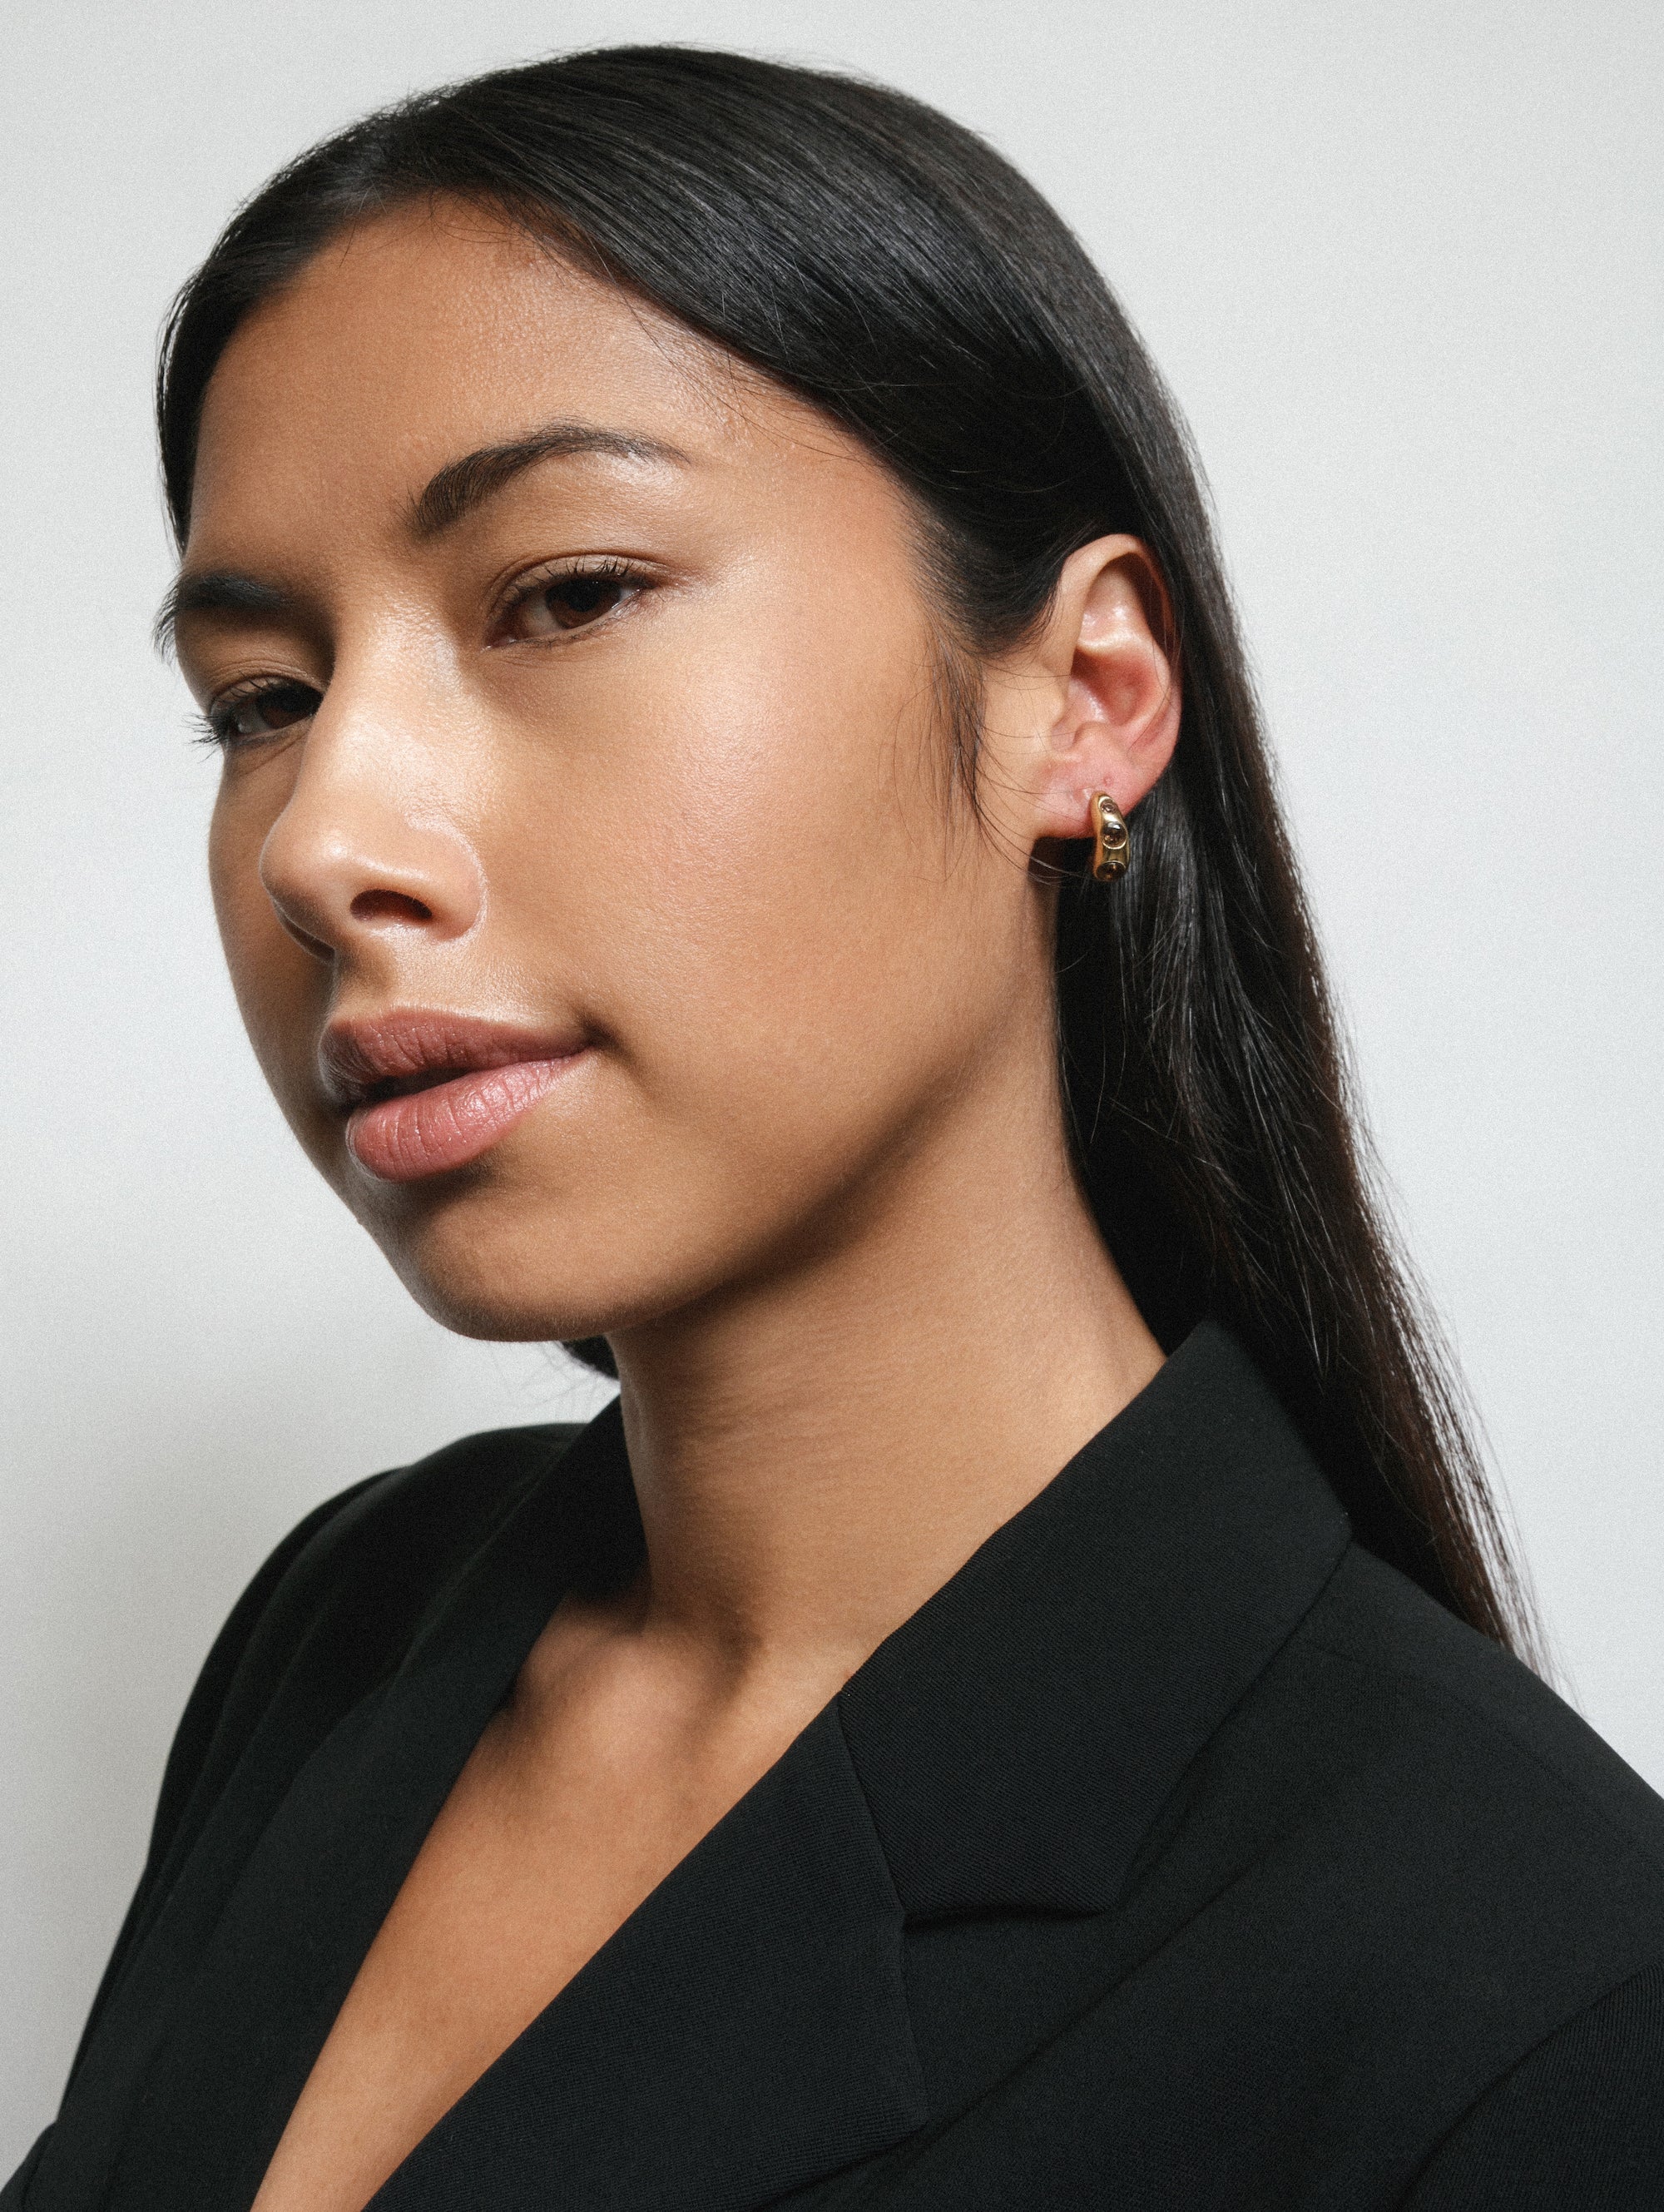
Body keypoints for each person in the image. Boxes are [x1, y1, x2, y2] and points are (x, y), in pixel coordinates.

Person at [7, 43, 1662, 2212]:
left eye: (567, 592)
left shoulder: (1540, 2006)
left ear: (1082, 702)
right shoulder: (352, 1627)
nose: (323, 841)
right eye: (263, 698)